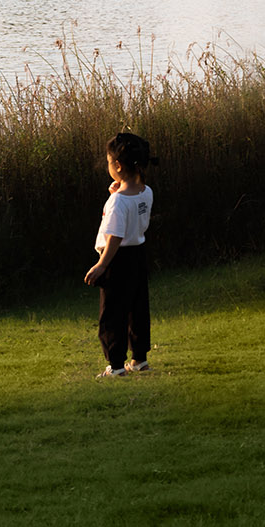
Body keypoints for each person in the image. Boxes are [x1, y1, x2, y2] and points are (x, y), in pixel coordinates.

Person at [84, 131, 155, 378]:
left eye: (107, 162)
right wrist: (116, 193)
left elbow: (114, 236)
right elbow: (132, 214)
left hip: (117, 261)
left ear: (117, 166)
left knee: (113, 313)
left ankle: (115, 366)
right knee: (137, 309)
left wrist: (102, 265)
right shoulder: (146, 192)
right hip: (138, 256)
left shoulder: (117, 203)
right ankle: (139, 359)